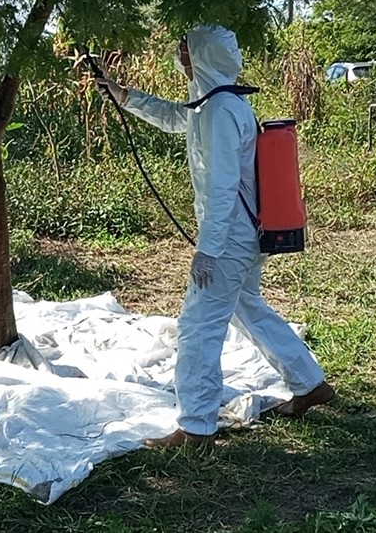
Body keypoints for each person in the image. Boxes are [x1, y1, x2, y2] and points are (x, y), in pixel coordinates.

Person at [95, 24, 334, 449]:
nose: (180, 57)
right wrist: (125, 95)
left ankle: (196, 426)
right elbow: (175, 117)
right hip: (240, 234)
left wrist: (208, 250)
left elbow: (223, 185)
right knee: (249, 310)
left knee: (198, 327)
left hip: (229, 239)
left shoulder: (222, 110)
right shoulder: (214, 104)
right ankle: (309, 383)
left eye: (185, 50)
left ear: (203, 56)